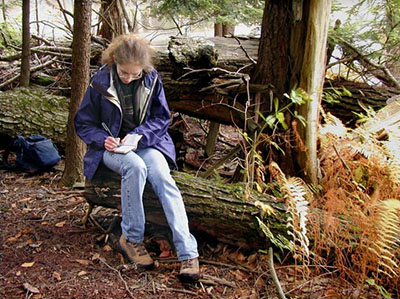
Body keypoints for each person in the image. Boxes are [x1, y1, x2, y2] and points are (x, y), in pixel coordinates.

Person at [74, 34, 199, 282]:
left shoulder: (152, 79)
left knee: (163, 179)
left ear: (144, 68)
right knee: (135, 167)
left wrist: (139, 135)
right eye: (124, 73)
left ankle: (187, 252)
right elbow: (84, 122)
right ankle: (131, 239)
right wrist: (103, 139)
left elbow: (161, 119)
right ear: (114, 62)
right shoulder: (100, 80)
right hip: (111, 148)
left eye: (135, 74)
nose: (129, 78)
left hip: (145, 143)